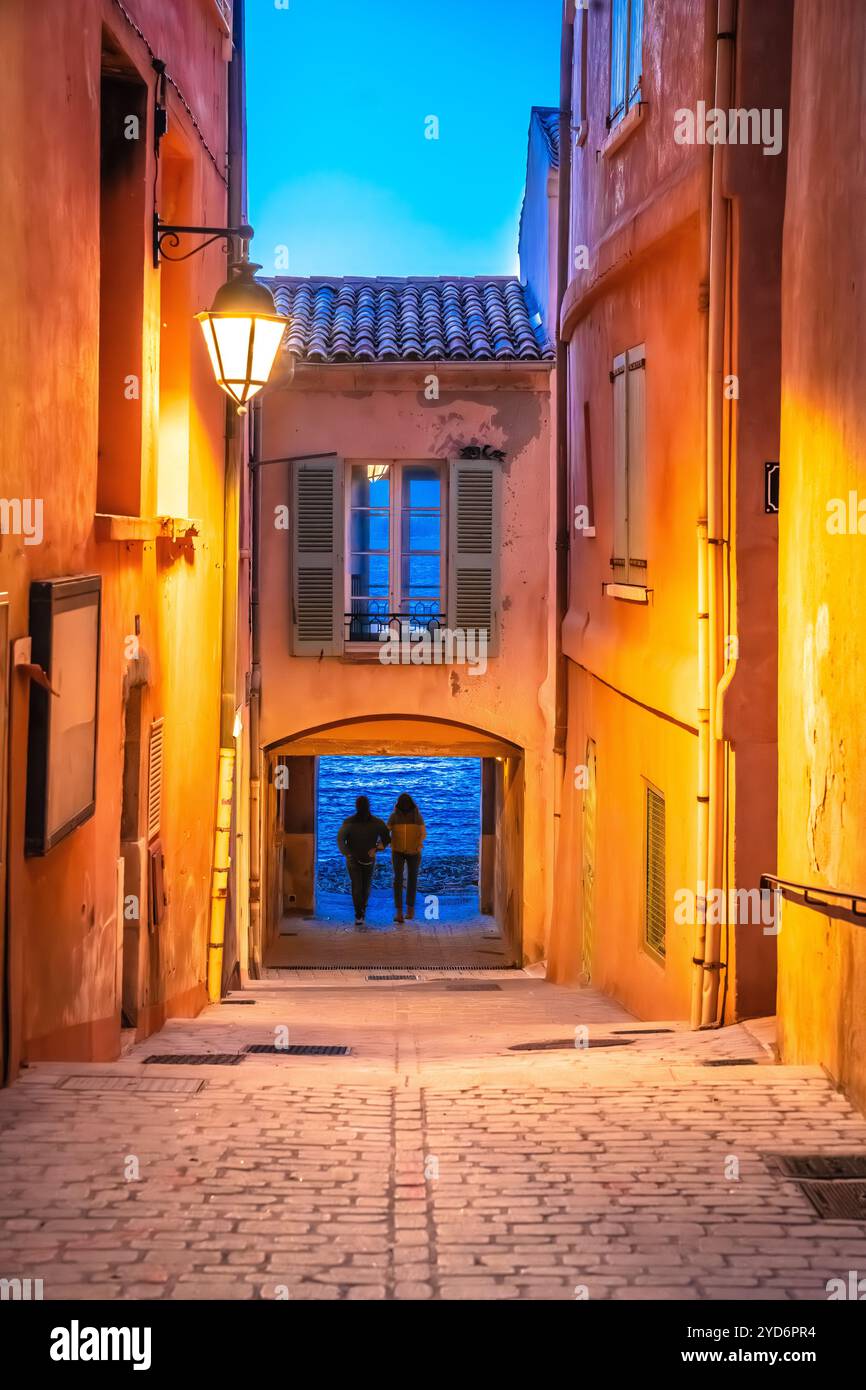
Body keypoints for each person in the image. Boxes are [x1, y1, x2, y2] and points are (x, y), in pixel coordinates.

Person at [336, 795, 391, 926]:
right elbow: (387, 840)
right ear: (369, 806)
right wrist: (376, 849)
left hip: (354, 858)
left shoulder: (349, 822)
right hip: (366, 858)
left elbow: (340, 840)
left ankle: (359, 914)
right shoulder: (377, 822)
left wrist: (347, 853)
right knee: (364, 887)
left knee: (358, 886)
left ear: (356, 806)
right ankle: (361, 912)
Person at [388, 792, 426, 924]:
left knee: (402, 880)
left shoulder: (416, 817)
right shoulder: (395, 817)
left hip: (410, 852)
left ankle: (404, 911)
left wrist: (418, 846)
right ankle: (404, 911)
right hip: (400, 851)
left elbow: (422, 834)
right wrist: (418, 845)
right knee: (406, 880)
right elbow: (423, 834)